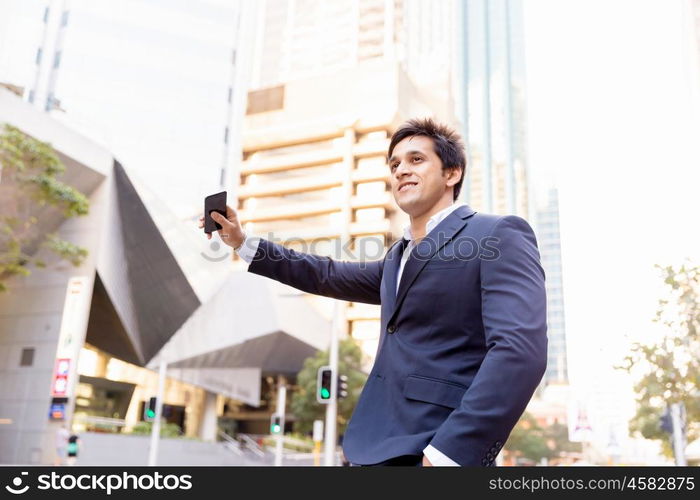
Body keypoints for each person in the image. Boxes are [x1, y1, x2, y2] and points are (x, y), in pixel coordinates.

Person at [200, 117, 547, 466]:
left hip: (432, 449)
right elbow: (325, 273)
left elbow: (519, 353)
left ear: (452, 173)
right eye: (394, 164)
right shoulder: (398, 259)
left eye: (416, 160)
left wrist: (448, 455)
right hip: (372, 447)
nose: (400, 171)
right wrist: (243, 243)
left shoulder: (497, 234)